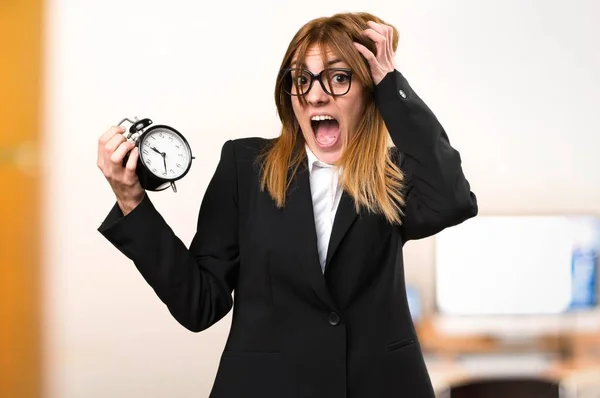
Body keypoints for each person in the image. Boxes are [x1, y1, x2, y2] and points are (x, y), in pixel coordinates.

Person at [96, 11, 477, 398]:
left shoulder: (392, 174)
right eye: (302, 79)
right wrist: (131, 201)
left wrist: (391, 84)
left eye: (339, 77)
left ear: (368, 89)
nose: (315, 94)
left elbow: (452, 201)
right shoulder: (245, 167)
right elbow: (200, 304)